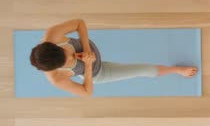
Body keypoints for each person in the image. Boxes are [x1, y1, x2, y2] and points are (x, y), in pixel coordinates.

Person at [29, 19, 198, 97]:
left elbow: (79, 23)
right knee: (142, 70)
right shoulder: (57, 78)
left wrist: (87, 51)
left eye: (66, 52)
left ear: (54, 45)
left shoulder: (52, 34)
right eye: (68, 60)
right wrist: (88, 64)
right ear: (56, 68)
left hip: (91, 50)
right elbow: (86, 92)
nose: (71, 55)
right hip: (97, 71)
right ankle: (177, 69)